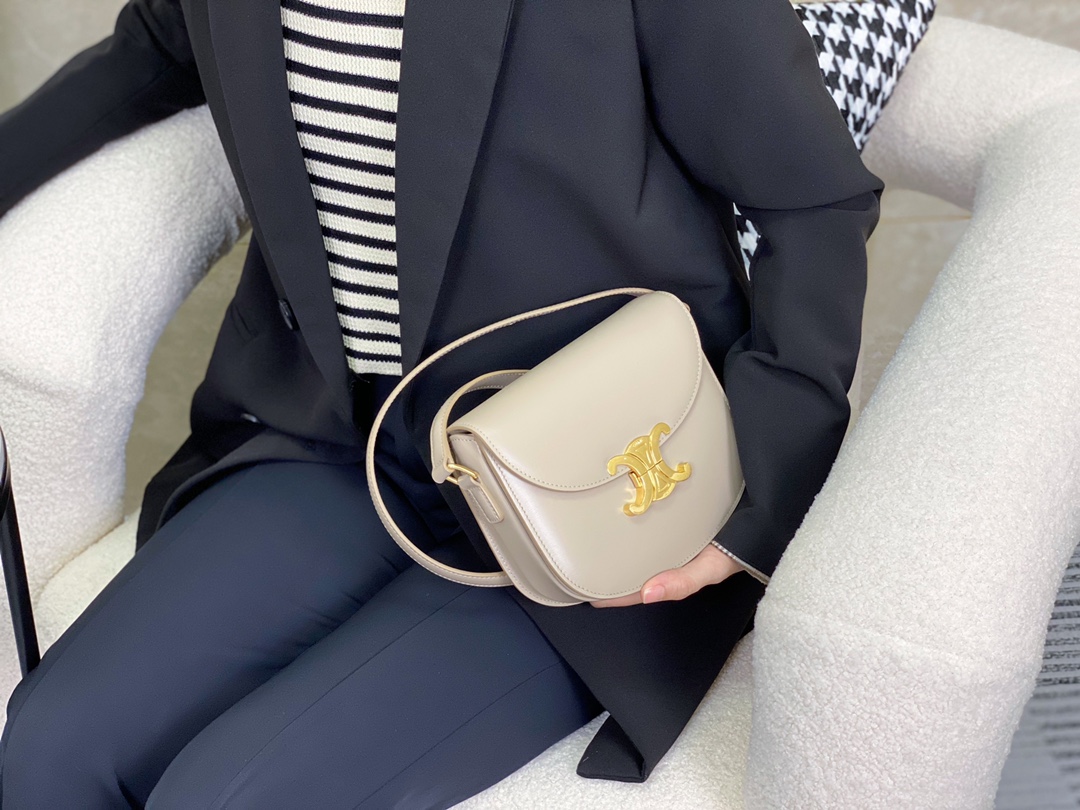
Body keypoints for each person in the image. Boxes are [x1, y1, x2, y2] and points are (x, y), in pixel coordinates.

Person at [0, 0, 884, 806]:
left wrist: (757, 494)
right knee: (49, 748)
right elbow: (152, 53)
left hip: (593, 475)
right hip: (341, 439)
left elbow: (813, 200)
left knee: (226, 798)